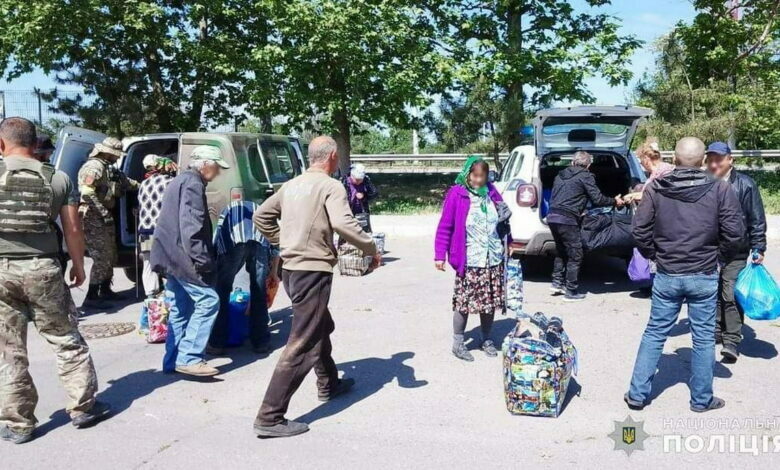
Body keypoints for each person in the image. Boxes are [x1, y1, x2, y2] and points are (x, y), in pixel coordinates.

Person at [252, 135, 377, 438]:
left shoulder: (291, 185)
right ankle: (270, 416)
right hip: (312, 270)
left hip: (291, 270)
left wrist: (283, 242)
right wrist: (372, 248)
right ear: (332, 156)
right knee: (304, 340)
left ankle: (329, 383)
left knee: (319, 324)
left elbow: (261, 216)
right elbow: (344, 224)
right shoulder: (331, 186)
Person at [0, 117, 110, 445]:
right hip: (43, 269)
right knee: (65, 339)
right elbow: (73, 229)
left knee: (9, 350)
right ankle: (83, 407)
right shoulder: (57, 178)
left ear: (1, 144)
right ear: (35, 145)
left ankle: (18, 423)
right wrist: (79, 266)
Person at [625, 137, 744, 413]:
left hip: (668, 273)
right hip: (703, 273)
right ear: (703, 161)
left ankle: (636, 394)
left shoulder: (656, 188)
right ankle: (701, 399)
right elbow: (735, 233)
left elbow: (639, 230)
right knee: (702, 338)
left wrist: (656, 254)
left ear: (675, 160)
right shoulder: (719, 189)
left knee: (655, 333)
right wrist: (718, 259)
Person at [150, 146, 229, 377]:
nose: (218, 173)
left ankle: (172, 360)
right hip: (182, 257)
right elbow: (191, 228)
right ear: (205, 165)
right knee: (208, 301)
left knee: (181, 308)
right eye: (216, 167)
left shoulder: (179, 180)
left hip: (168, 255)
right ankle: (190, 358)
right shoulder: (193, 184)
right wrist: (203, 261)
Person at [434, 156, 511, 362]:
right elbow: (445, 226)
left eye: (482, 177)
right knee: (464, 302)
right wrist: (439, 255)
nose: (478, 181)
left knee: (489, 302)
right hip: (470, 259)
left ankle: (486, 339)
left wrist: (509, 241)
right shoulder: (457, 194)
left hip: (492, 256)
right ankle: (458, 343)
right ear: (468, 174)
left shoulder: (492, 192)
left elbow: (503, 220)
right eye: (475, 176)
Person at [706, 141, 767, 362]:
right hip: (710, 250)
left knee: (729, 294)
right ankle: (715, 330)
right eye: (710, 159)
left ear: (730, 160)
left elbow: (756, 219)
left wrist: (758, 247)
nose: (714, 164)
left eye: (718, 159)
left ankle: (731, 339)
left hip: (737, 251)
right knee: (712, 291)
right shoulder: (703, 182)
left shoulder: (745, 185)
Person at [547, 151, 622, 301]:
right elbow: (597, 199)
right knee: (576, 253)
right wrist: (614, 201)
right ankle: (571, 291)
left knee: (561, 250)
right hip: (567, 219)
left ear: (573, 162)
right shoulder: (585, 175)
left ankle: (556, 283)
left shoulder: (560, 174)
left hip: (552, 216)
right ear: (588, 165)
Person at [208, 199, 280, 355]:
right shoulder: (261, 209)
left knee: (223, 291)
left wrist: (214, 263)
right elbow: (276, 243)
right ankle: (261, 342)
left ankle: (217, 343)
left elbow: (217, 238)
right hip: (260, 241)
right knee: (258, 291)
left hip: (233, 240)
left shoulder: (227, 210)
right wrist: (274, 272)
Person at [77, 136, 138, 307]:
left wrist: (147, 184)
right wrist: (103, 212)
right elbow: (87, 194)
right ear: (107, 153)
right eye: (116, 154)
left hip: (104, 216)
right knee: (101, 257)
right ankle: (91, 296)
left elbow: (128, 183)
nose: (118, 157)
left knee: (111, 255)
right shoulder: (93, 167)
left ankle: (105, 290)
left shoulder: (109, 169)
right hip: (94, 217)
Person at [137, 154, 177, 297]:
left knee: (149, 264)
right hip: (163, 231)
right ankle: (170, 295)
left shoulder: (143, 184)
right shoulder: (170, 182)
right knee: (168, 263)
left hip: (145, 231)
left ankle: (151, 296)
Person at [623, 140, 675, 204]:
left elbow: (653, 196)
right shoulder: (666, 169)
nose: (641, 163)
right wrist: (632, 195)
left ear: (646, 159)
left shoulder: (661, 174)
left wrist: (631, 196)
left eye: (641, 159)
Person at [341, 163, 378, 232]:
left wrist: (364, 195)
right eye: (357, 180)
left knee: (364, 232)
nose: (359, 182)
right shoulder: (344, 181)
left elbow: (374, 193)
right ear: (352, 176)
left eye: (361, 180)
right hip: (348, 211)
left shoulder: (365, 181)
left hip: (361, 211)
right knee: (347, 232)